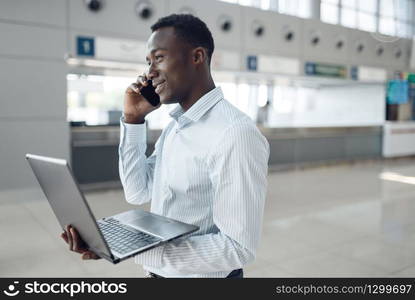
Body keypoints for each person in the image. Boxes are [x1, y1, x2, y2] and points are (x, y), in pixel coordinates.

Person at [61, 14, 269, 278]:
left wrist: (140, 249)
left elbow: (238, 249)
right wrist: (133, 120)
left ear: (197, 57)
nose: (149, 72)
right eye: (148, 62)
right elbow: (137, 192)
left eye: (159, 58)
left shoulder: (234, 134)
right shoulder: (175, 128)